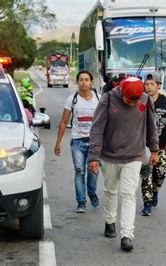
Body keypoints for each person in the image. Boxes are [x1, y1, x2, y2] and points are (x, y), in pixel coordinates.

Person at [88, 77, 159, 251]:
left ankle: (127, 235)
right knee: (111, 190)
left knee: (129, 194)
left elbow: (151, 126)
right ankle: (110, 221)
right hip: (109, 155)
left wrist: (155, 149)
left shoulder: (145, 99)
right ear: (122, 93)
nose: (131, 104)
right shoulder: (109, 98)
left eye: (135, 101)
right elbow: (97, 128)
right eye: (128, 100)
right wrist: (94, 157)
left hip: (134, 155)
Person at [54, 70, 100, 213]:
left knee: (93, 172)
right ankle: (81, 202)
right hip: (77, 142)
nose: (84, 82)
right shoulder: (72, 99)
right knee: (79, 172)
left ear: (91, 82)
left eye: (87, 79)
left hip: (95, 143)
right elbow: (63, 122)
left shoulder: (99, 98)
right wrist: (58, 143)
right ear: (77, 82)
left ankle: (92, 193)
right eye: (81, 79)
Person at [140, 71, 166, 216]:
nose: (149, 87)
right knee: (146, 176)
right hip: (145, 148)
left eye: (152, 84)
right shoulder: (141, 101)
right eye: (147, 84)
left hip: (163, 147)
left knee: (160, 175)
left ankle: (155, 191)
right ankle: (147, 203)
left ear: (158, 86)